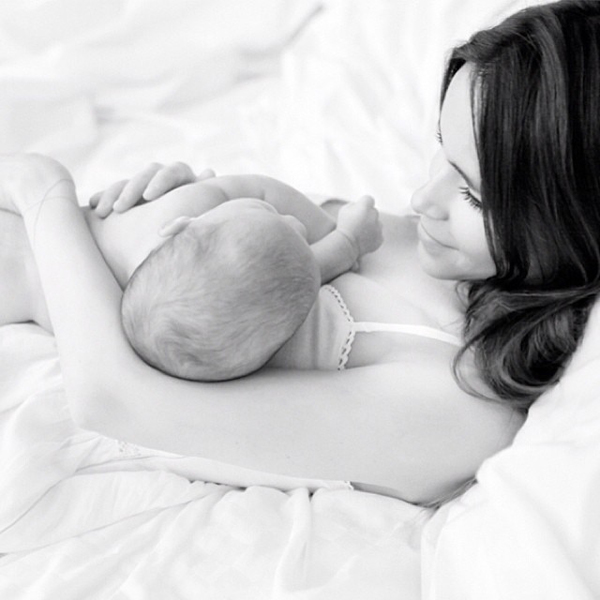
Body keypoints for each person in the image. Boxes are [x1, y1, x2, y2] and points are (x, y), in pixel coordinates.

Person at [9, 0, 593, 506]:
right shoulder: (441, 248)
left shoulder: (461, 405)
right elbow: (249, 240)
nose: (422, 199)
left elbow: (114, 399)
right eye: (443, 148)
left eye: (472, 193)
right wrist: (202, 204)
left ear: (572, 219)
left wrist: (44, 194)